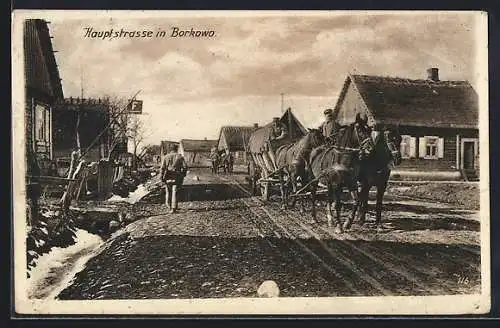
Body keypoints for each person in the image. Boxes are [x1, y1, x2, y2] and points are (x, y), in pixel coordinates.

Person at [160, 144, 188, 213]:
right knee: (175, 192)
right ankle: (174, 208)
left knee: (168, 191)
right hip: (177, 176)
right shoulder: (180, 157)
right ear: (176, 149)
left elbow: (162, 168)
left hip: (168, 176)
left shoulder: (165, 157)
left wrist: (161, 177)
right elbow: (185, 167)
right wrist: (183, 174)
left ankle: (169, 206)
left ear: (170, 149)